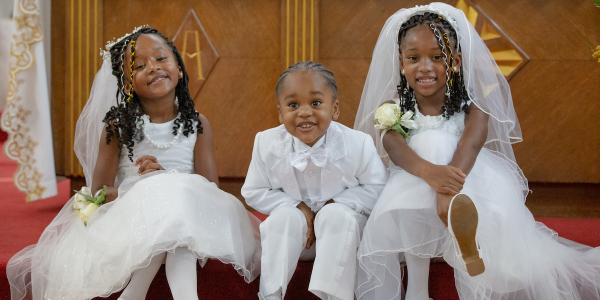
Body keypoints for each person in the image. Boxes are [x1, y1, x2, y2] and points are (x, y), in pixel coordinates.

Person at [354, 3, 600, 300]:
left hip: (470, 185)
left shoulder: (472, 107)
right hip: (419, 185)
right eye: (414, 58)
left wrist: (448, 190)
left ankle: (462, 245)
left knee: (435, 146)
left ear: (456, 61)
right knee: (424, 154)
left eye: (437, 57)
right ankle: (418, 288)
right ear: (401, 62)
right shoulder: (392, 109)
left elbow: (469, 144)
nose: (425, 67)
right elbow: (394, 146)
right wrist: (432, 176)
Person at [6, 26, 261, 300]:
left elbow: (210, 189)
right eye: (140, 65)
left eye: (161, 58)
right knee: (169, 215)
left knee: (176, 212)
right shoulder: (117, 127)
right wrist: (146, 185)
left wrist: (166, 179)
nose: (153, 67)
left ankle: (136, 294)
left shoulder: (197, 124)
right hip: (132, 221)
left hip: (192, 216)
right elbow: (99, 193)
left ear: (178, 66)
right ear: (127, 84)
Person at [241, 61, 389, 300]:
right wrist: (297, 206)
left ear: (335, 109)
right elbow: (253, 191)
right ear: (280, 113)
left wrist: (333, 205)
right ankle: (271, 294)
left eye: (316, 103)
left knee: (335, 216)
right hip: (297, 241)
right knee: (284, 216)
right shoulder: (266, 142)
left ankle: (331, 294)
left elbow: (378, 188)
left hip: (344, 237)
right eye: (293, 105)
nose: (305, 112)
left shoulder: (357, 143)